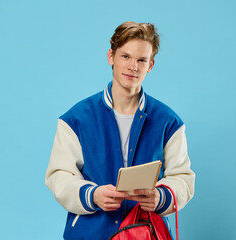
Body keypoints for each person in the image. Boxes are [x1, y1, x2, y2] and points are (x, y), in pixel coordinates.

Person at [45, 21, 195, 240]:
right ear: (111, 57)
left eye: (141, 60)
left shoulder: (168, 121)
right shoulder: (76, 119)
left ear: (150, 65)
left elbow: (182, 178)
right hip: (90, 233)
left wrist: (160, 197)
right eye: (125, 56)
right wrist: (93, 195)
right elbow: (59, 176)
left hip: (145, 233)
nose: (133, 66)